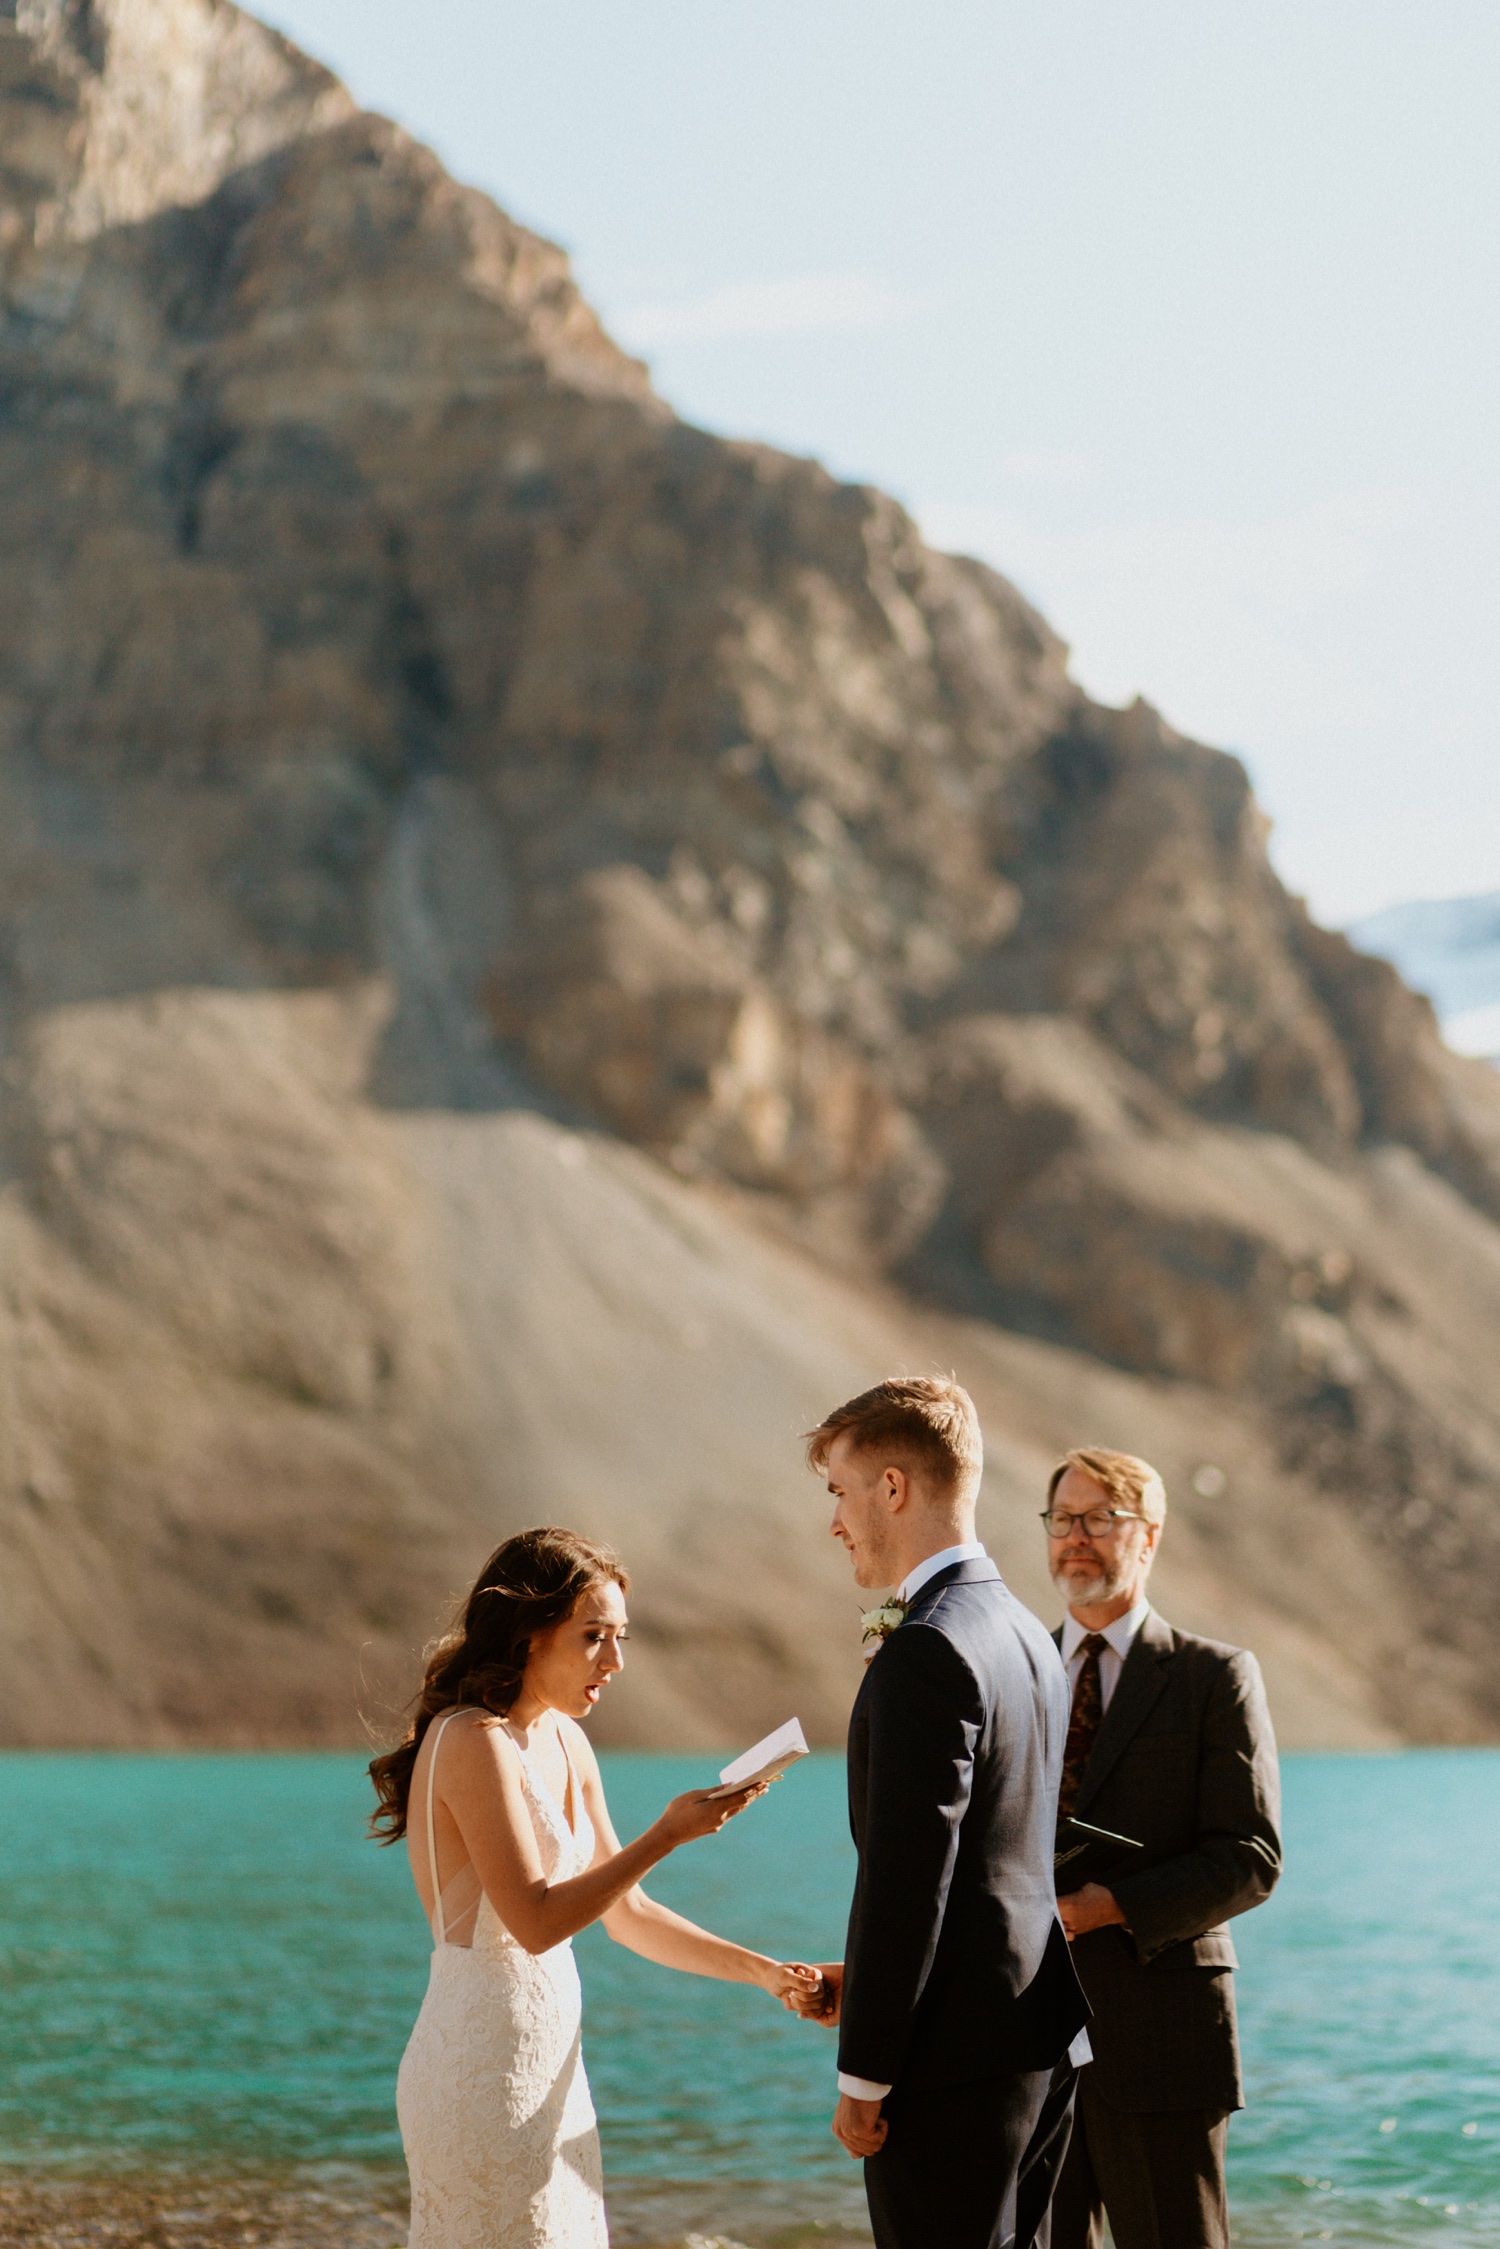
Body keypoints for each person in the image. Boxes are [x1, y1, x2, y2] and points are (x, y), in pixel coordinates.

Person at [368, 1527, 819, 2249]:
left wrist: (765, 1973)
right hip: (478, 2073)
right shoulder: (470, 1738)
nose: (613, 1661)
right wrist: (665, 1833)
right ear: (527, 1634)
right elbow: (535, 1921)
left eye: (621, 1637)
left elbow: (630, 1914)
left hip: (552, 2065)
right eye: (592, 1636)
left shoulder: (566, 1740)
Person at [790, 1376, 1088, 2249]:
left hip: (952, 2068)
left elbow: (910, 1882)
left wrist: (865, 2075)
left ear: (894, 1487)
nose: (834, 1521)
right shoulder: (1027, 1631)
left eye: (840, 1492)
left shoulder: (927, 1645)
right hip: (1036, 2041)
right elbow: (999, 1860)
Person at [1042, 1448, 1282, 2249]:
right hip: (1025, 2044)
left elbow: (1250, 1855)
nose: (1077, 1536)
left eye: (1100, 1518)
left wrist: (1102, 1907)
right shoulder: (1013, 1670)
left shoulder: (1216, 1676)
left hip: (1166, 2042)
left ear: (1148, 1538)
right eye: (1063, 1519)